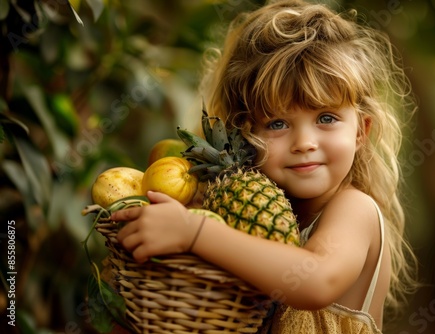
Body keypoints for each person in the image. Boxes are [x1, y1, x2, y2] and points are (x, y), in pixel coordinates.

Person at [111, 0, 418, 332]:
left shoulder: (355, 209)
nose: (304, 142)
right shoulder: (249, 213)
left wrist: (195, 232)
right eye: (277, 124)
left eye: (326, 118)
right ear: (245, 132)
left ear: (361, 131)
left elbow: (316, 279)